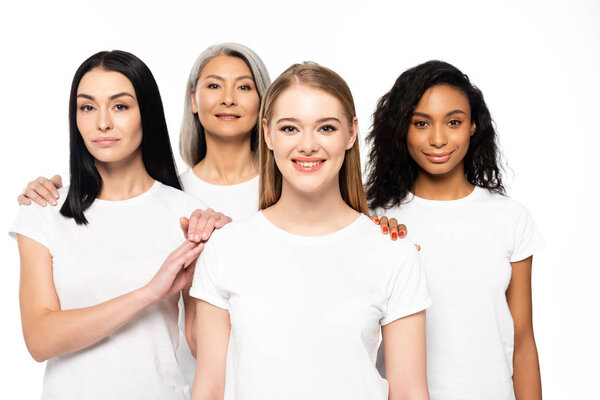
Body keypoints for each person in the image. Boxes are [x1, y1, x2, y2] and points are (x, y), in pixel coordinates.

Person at [190, 62, 432, 400]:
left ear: (350, 134)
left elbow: (409, 393)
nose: (307, 146)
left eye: (326, 128)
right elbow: (210, 390)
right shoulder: (227, 248)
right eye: (290, 128)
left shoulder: (394, 253)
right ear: (267, 133)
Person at [9, 50, 227, 399]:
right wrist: (148, 294)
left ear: (147, 114)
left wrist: (229, 254)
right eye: (87, 107)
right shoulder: (44, 210)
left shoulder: (188, 215)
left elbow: (207, 347)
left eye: (120, 106)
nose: (103, 123)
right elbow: (40, 339)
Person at [367, 60, 544, 399]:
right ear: (401, 129)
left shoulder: (509, 217)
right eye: (421, 123)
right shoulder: (375, 221)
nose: (437, 139)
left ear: (473, 126)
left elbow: (523, 341)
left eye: (453, 122)